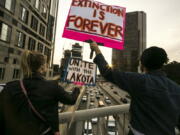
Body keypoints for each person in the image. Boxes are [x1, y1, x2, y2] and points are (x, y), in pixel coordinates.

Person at [90, 41, 180, 135]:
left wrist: (97, 49)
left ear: (142, 64)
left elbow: (107, 72)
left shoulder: (140, 81)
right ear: (163, 63)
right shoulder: (176, 88)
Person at [0, 51, 80, 135]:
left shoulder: (9, 87)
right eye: (46, 64)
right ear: (41, 68)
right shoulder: (52, 87)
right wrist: (77, 88)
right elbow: (71, 100)